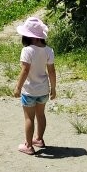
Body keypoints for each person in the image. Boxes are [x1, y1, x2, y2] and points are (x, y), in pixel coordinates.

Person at [13, 17, 56, 155]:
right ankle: (39, 139)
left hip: (29, 90)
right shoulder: (49, 50)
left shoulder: (27, 50)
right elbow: (51, 71)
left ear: (27, 36)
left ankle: (29, 146)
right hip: (43, 90)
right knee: (41, 115)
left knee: (28, 118)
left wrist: (18, 87)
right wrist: (53, 88)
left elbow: (25, 71)